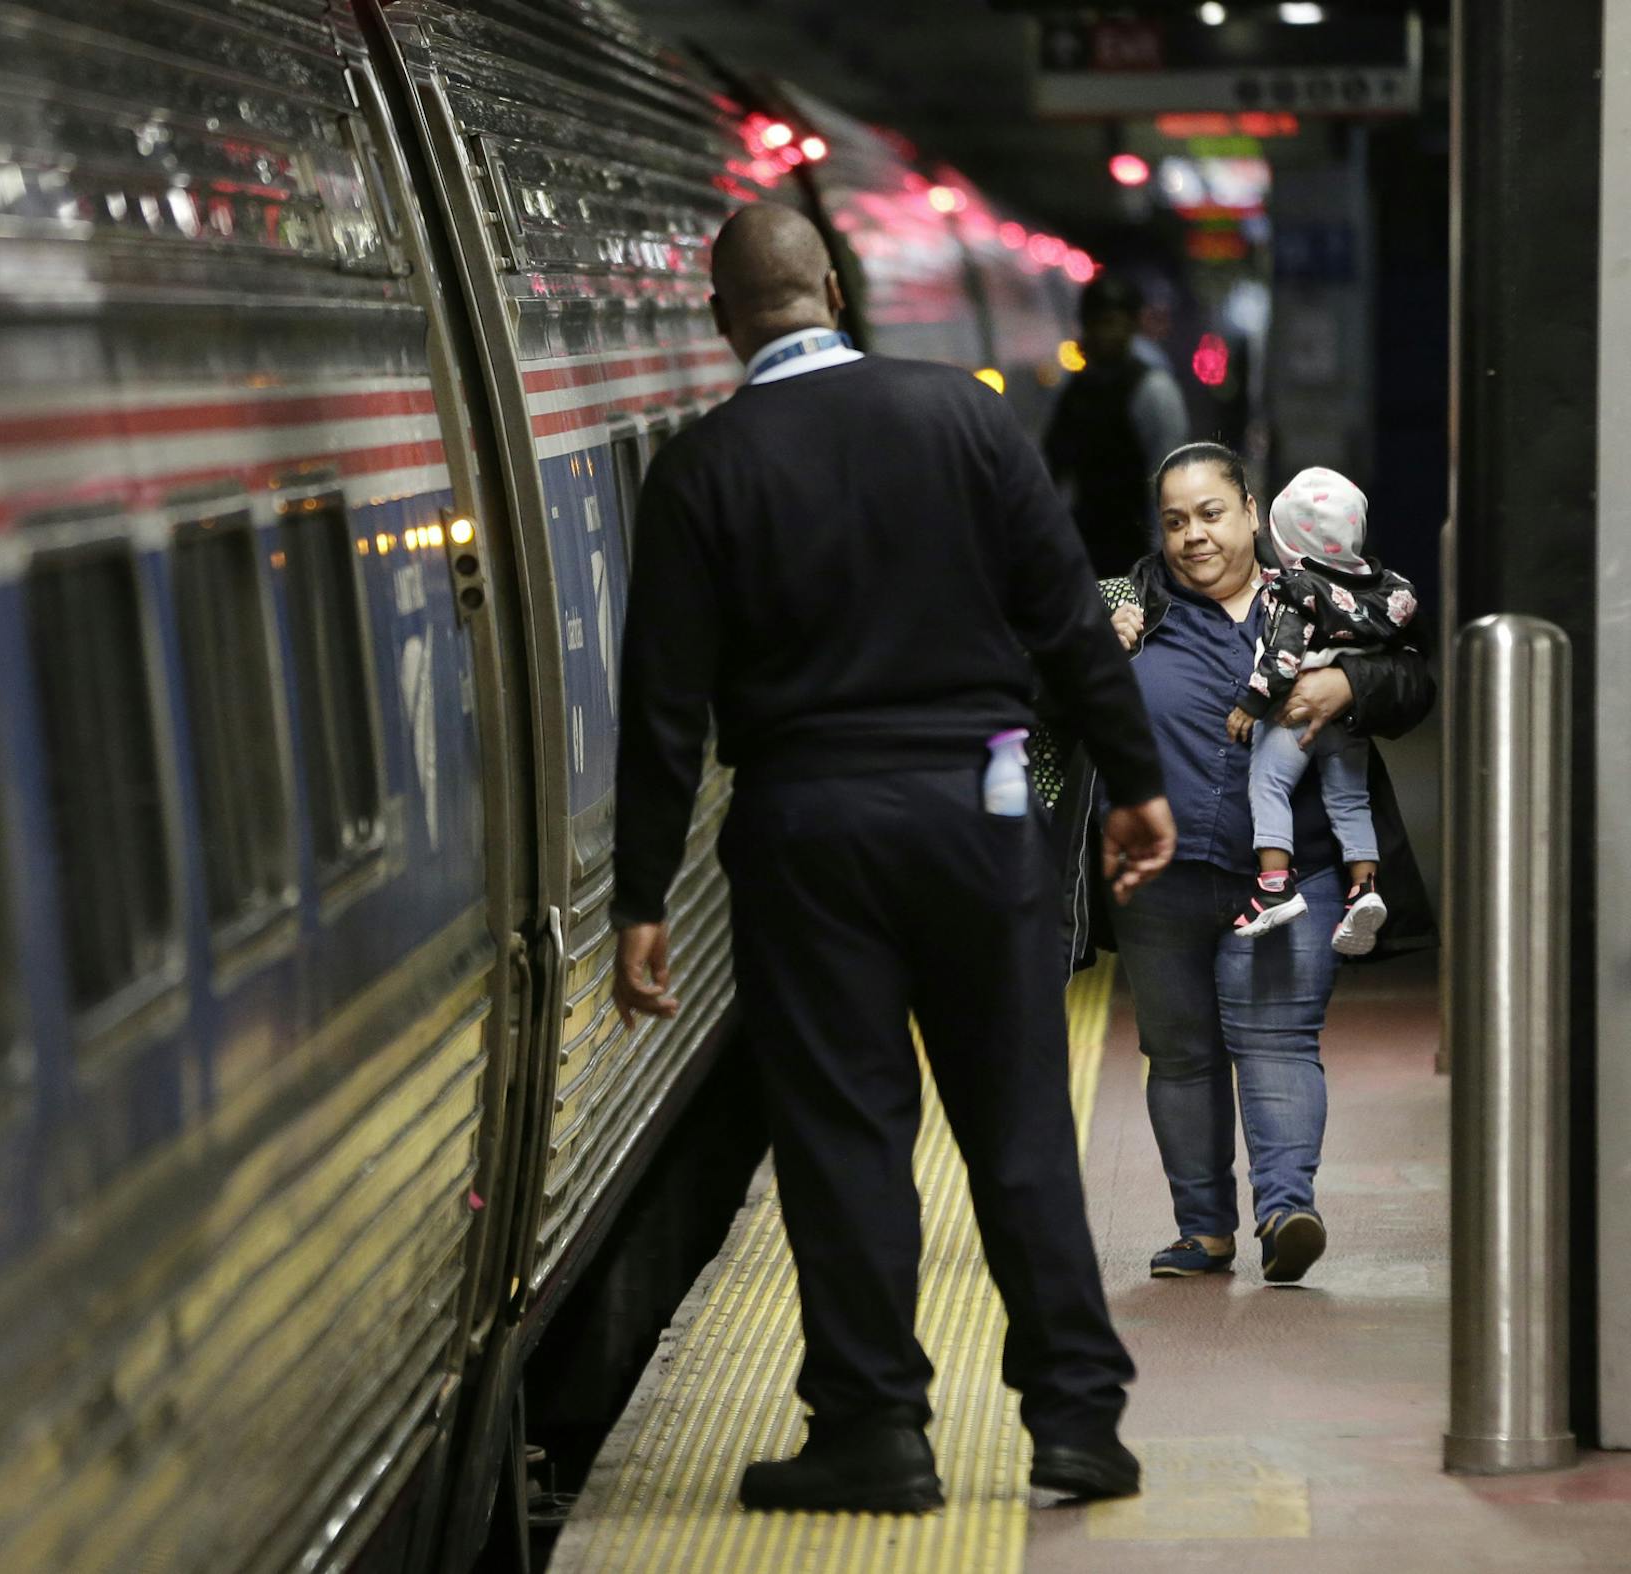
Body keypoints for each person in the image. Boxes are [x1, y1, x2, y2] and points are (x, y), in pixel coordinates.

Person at [609, 203, 1177, 1516]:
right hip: (973, 808)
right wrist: (1135, 783)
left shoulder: (702, 465)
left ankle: (875, 1430)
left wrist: (641, 895)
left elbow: (662, 707)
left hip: (807, 829)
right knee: (1018, 1115)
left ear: (722, 318)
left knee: (844, 1131)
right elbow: (1068, 613)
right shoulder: (966, 419)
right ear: (835, 289)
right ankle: (1078, 1419)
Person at [1057, 442, 1434, 1286]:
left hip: (1289, 878)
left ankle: (1285, 1210)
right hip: (1159, 881)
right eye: (1176, 520)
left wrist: (1352, 689)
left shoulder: (1317, 590)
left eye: (1211, 513)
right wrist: (1086, 641)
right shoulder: (1128, 604)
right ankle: (1204, 1231)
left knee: (1277, 1041)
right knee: (1181, 1052)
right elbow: (1034, 687)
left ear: (1252, 512)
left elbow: (1415, 682)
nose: (1194, 535)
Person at [1224, 466, 1421, 955]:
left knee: (1268, 783)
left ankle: (1273, 883)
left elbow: (1283, 655)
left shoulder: (1295, 590)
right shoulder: (1386, 590)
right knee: (1350, 800)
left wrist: (1253, 703)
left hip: (1293, 719)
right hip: (1347, 723)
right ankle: (1364, 888)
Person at [1043, 275, 1191, 578]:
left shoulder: (1153, 391)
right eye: (1094, 323)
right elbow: (1053, 467)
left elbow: (1169, 478)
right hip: (1086, 550)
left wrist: (1164, 560)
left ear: (1132, 326)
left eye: (1111, 322)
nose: (1101, 334)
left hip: (1136, 553)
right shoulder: (1075, 391)